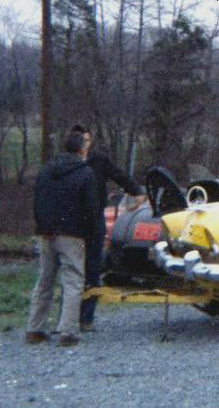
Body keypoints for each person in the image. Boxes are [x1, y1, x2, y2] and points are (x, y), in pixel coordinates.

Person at [26, 131, 96, 347]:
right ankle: (67, 331)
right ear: (82, 149)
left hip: (46, 233)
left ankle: (34, 329)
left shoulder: (47, 169)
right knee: (73, 281)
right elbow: (91, 208)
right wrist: (89, 233)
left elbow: (38, 199)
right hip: (72, 234)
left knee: (44, 281)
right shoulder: (85, 173)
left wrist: (42, 226)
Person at [71, 124, 143, 332]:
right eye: (80, 141)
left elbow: (119, 175)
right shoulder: (66, 163)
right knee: (71, 271)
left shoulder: (99, 160)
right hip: (72, 223)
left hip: (94, 221)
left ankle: (86, 319)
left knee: (93, 268)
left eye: (86, 140)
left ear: (90, 140)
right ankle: (66, 317)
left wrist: (136, 191)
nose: (84, 145)